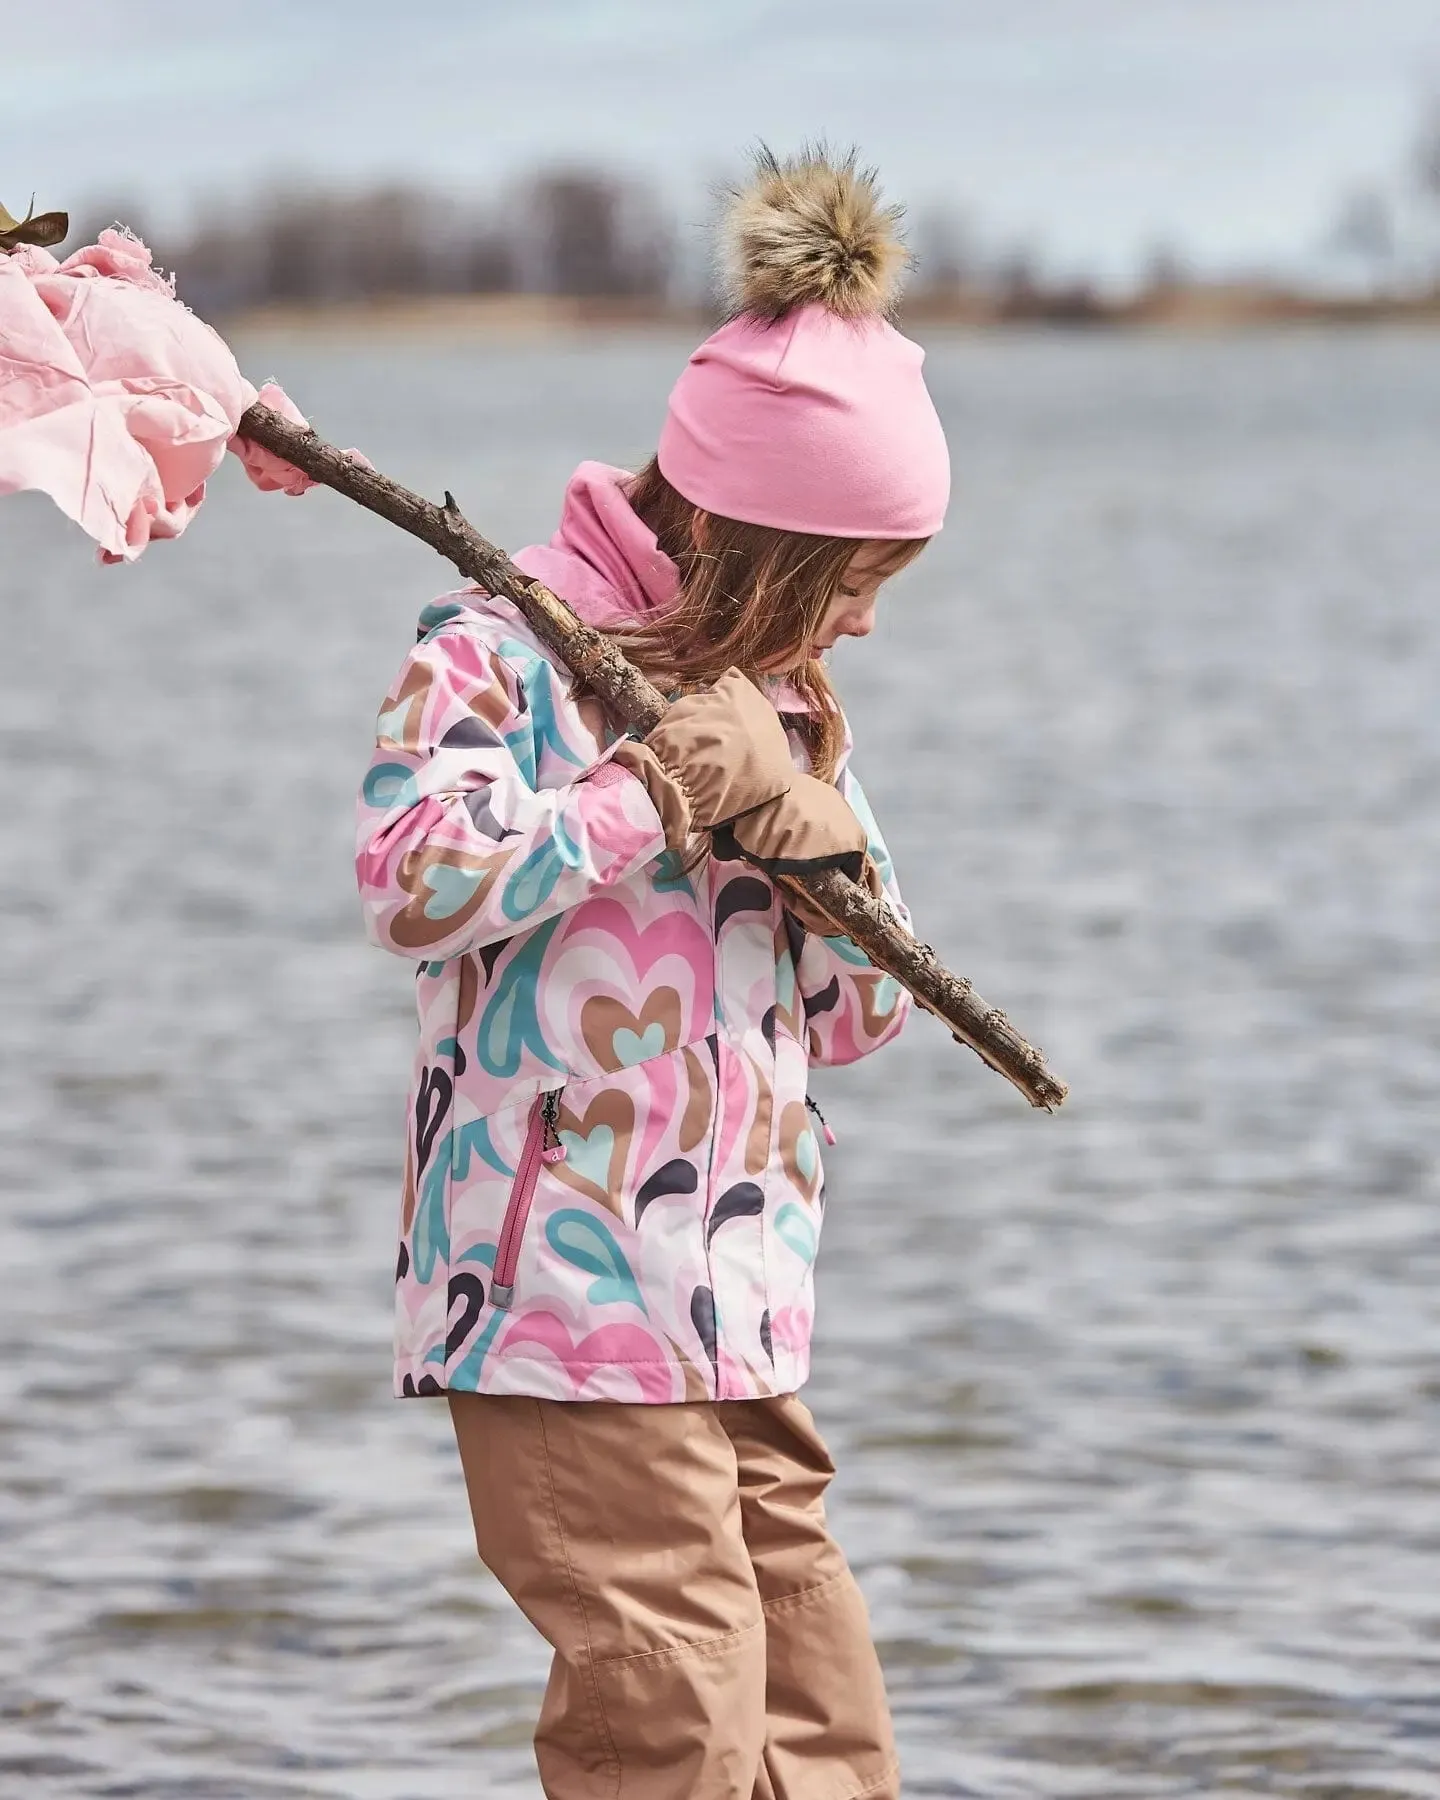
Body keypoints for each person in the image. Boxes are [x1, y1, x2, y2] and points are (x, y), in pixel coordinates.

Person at [355, 145, 950, 1800]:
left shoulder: (786, 705)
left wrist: (816, 833)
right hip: (562, 1298)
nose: (866, 628)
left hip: (744, 1306)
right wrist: (647, 798)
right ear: (760, 543)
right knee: (673, 1711)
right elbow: (413, 880)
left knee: (819, 1714)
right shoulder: (498, 647)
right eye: (851, 585)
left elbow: (865, 1019)